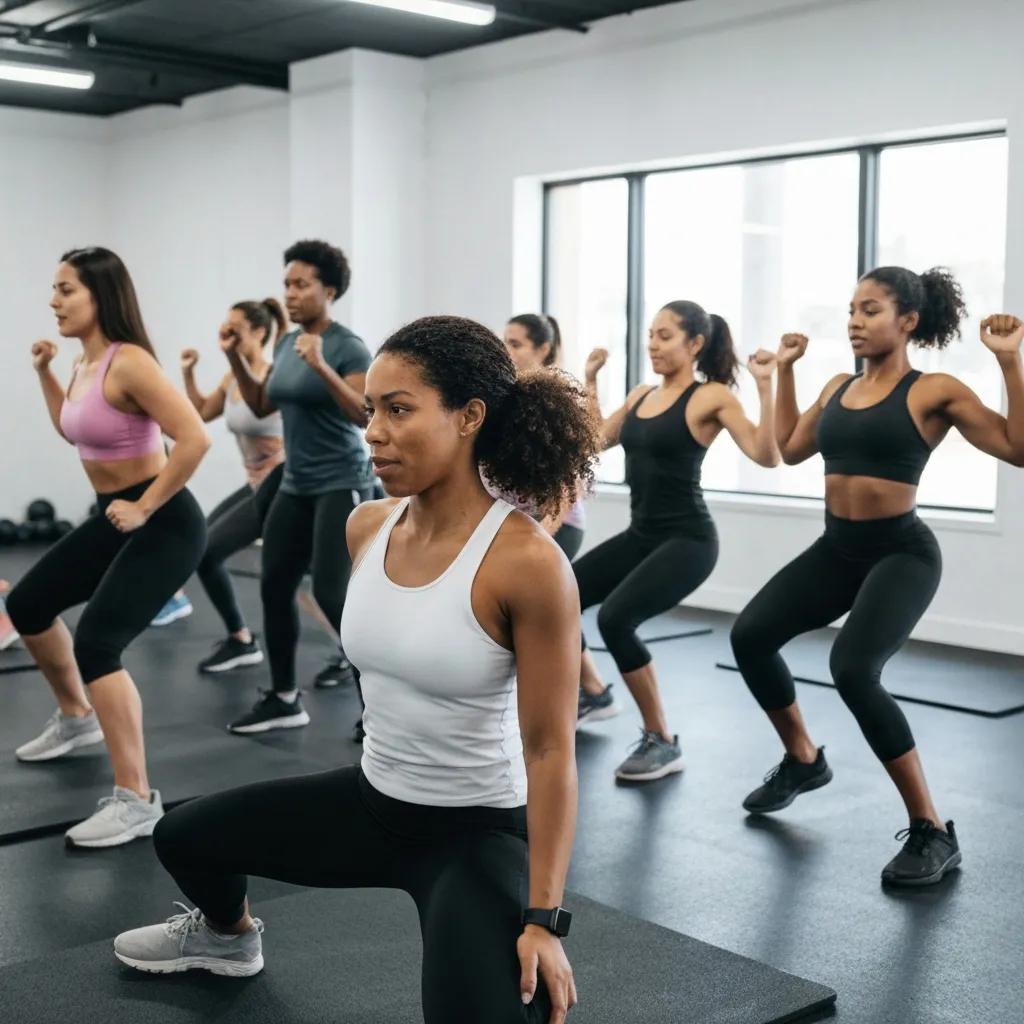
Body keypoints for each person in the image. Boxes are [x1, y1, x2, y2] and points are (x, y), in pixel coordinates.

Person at [113, 315, 596, 1024]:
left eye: (399, 410)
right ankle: (227, 938)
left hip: (475, 832)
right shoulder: (366, 526)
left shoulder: (527, 564)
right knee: (182, 836)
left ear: (469, 418)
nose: (373, 431)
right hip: (372, 803)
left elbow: (552, 750)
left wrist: (544, 920)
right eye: (372, 410)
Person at [730, 266, 1024, 886]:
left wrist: (1009, 363)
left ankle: (932, 830)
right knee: (749, 635)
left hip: (902, 552)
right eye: (852, 310)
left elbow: (1016, 447)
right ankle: (802, 758)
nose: (855, 322)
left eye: (870, 310)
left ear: (908, 321)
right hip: (838, 548)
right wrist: (784, 370)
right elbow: (788, 445)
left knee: (854, 669)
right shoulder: (837, 386)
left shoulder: (932, 390)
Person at [6, 246, 209, 847]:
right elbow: (71, 424)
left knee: (98, 641)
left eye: (66, 289)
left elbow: (194, 438)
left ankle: (136, 799)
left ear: (101, 295)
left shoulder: (131, 363)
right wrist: (45, 372)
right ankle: (76, 719)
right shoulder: (82, 364)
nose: (53, 301)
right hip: (113, 515)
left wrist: (146, 506)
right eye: (54, 289)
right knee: (29, 605)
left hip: (165, 518)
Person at [576, 301, 779, 781]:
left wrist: (766, 387)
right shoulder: (642, 395)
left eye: (664, 335)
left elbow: (766, 455)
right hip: (642, 534)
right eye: (650, 334)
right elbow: (591, 442)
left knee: (616, 618)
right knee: (561, 594)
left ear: (695, 344)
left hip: (688, 539)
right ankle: (592, 693)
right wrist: (590, 379)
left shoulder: (711, 398)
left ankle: (661, 740)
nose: (652, 344)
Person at [222, 240, 374, 733]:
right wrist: (236, 361)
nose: (290, 293)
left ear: (328, 290)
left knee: (334, 596)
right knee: (274, 586)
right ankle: (285, 697)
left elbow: (364, 415)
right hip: (295, 481)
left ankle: (379, 710)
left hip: (342, 481)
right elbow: (265, 404)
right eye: (287, 283)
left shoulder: (347, 346)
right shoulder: (287, 342)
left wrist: (321, 365)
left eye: (301, 284)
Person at [178, 299, 286, 672]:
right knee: (202, 547)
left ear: (259, 332)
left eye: (234, 329)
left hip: (281, 483)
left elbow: (261, 409)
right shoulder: (232, 377)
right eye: (224, 328)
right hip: (255, 482)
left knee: (208, 552)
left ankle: (342, 652)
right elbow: (201, 412)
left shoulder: (273, 375)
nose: (226, 335)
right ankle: (241, 639)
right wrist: (188, 372)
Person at [501, 314, 586, 560]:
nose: (506, 351)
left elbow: (571, 479)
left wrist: (544, 531)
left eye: (515, 344)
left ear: (543, 349)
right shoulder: (508, 394)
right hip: (521, 521)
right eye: (504, 342)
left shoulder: (557, 399)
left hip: (557, 522)